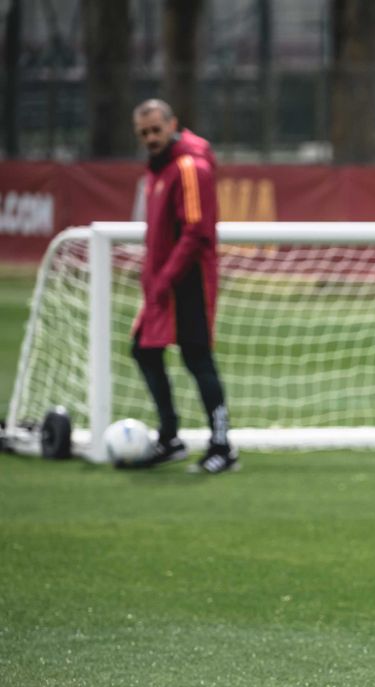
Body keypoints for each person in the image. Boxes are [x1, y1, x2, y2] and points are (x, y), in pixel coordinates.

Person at [130, 98, 237, 473]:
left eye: (156, 129)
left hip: (188, 279)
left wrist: (165, 278)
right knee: (143, 349)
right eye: (144, 132)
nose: (151, 138)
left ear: (173, 124)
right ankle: (170, 438)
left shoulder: (190, 166)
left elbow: (196, 233)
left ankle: (222, 446)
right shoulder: (157, 171)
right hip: (163, 282)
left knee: (197, 357)